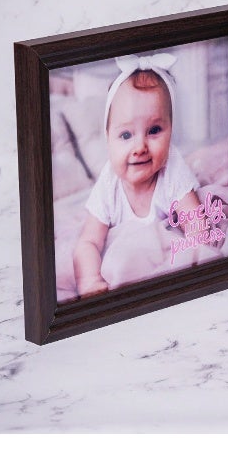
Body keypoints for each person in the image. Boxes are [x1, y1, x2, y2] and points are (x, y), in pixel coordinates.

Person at [72, 53, 201, 297]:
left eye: (154, 130)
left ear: (171, 132)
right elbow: (88, 243)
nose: (139, 147)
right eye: (125, 135)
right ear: (107, 138)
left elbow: (197, 228)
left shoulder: (172, 169)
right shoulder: (109, 183)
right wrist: (90, 281)